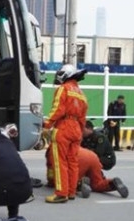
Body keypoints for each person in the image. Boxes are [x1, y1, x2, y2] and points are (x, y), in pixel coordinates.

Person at [43, 64, 88, 203]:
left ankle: (61, 194)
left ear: (66, 74)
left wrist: (46, 125)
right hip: (77, 130)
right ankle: (71, 192)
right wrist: (79, 131)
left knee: (60, 162)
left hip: (64, 127)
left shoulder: (63, 89)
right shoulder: (81, 94)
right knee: (73, 162)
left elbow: (58, 109)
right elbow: (82, 118)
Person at [46, 146, 128, 199]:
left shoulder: (52, 152)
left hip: (79, 159)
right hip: (92, 156)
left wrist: (51, 183)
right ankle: (112, 183)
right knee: (97, 184)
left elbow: (52, 174)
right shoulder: (65, 143)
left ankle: (80, 183)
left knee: (67, 182)